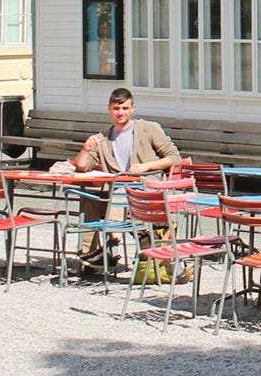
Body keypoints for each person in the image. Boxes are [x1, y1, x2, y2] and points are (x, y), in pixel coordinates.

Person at [72, 87, 180, 268]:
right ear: (109, 109)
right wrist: (85, 148)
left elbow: (174, 157)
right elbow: (82, 166)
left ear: (132, 109)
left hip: (146, 188)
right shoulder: (102, 138)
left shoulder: (148, 129)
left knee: (119, 192)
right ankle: (90, 257)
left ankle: (113, 244)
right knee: (89, 199)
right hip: (117, 190)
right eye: (116, 109)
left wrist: (146, 166)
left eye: (124, 108)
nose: (120, 113)